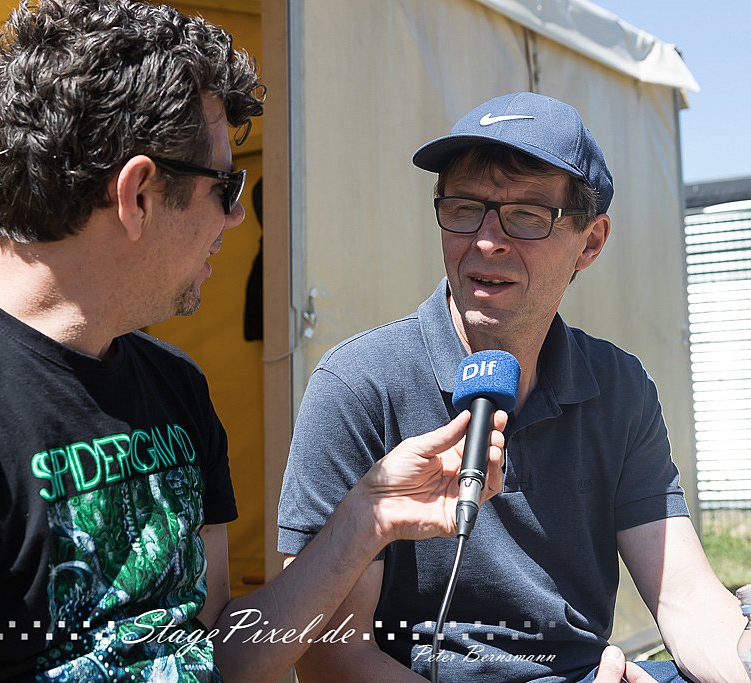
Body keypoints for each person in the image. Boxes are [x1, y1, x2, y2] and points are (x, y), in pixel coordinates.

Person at [0, 2, 514, 682]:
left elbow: (215, 656)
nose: (235, 219)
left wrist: (367, 516)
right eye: (226, 187)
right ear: (136, 195)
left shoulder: (173, 385)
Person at [277, 91, 746, 683]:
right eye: (464, 208)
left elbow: (685, 597)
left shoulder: (620, 386)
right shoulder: (359, 383)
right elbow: (330, 657)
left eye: (526, 215)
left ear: (591, 242)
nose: (487, 240)